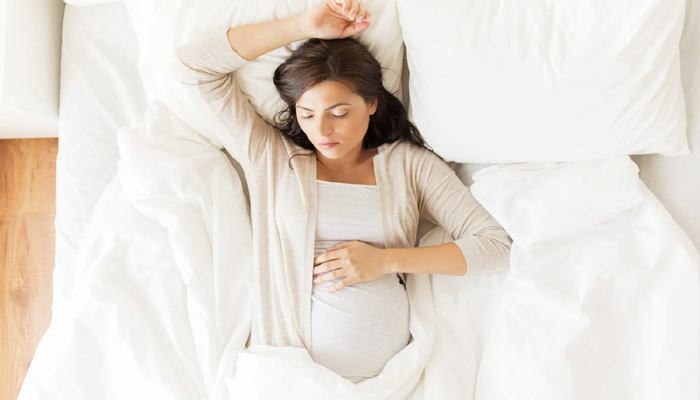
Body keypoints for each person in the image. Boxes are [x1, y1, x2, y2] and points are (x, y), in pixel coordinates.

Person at [176, 0, 511, 383]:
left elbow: (496, 246)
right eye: (307, 114)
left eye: (338, 113)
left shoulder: (409, 166)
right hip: (287, 377)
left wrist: (386, 261)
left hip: (389, 384)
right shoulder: (273, 159)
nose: (322, 130)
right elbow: (195, 67)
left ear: (371, 104)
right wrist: (303, 25)